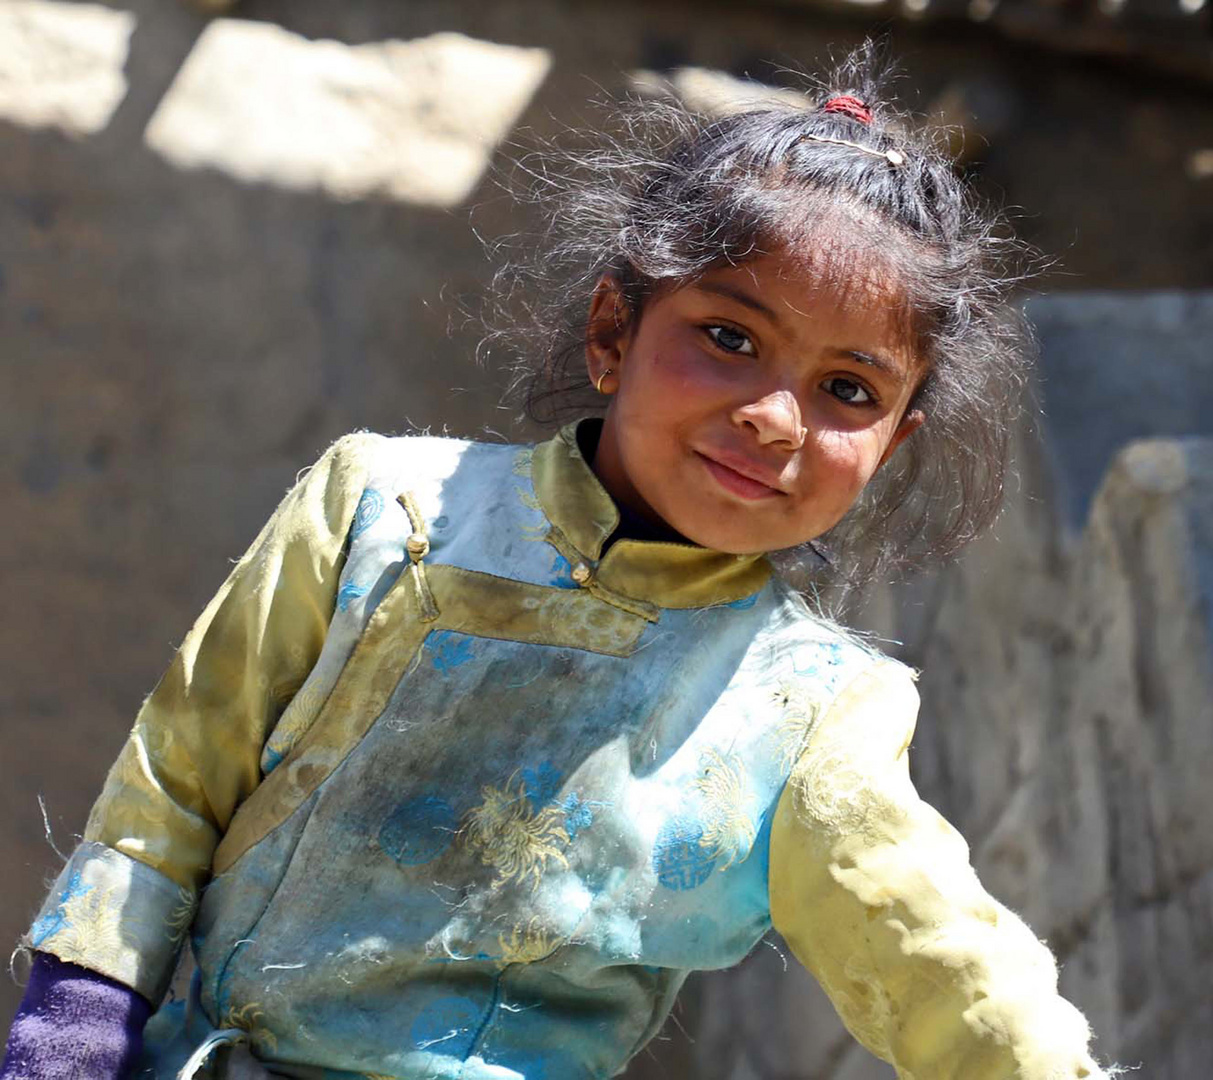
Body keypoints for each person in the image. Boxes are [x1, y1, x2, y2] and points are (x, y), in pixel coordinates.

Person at [3, 47, 1110, 1080]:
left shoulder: (810, 713)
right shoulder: (384, 510)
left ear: (894, 442)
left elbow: (944, 963)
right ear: (613, 331)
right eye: (730, 338)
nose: (777, 417)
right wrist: (74, 1027)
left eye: (849, 392)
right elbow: (176, 781)